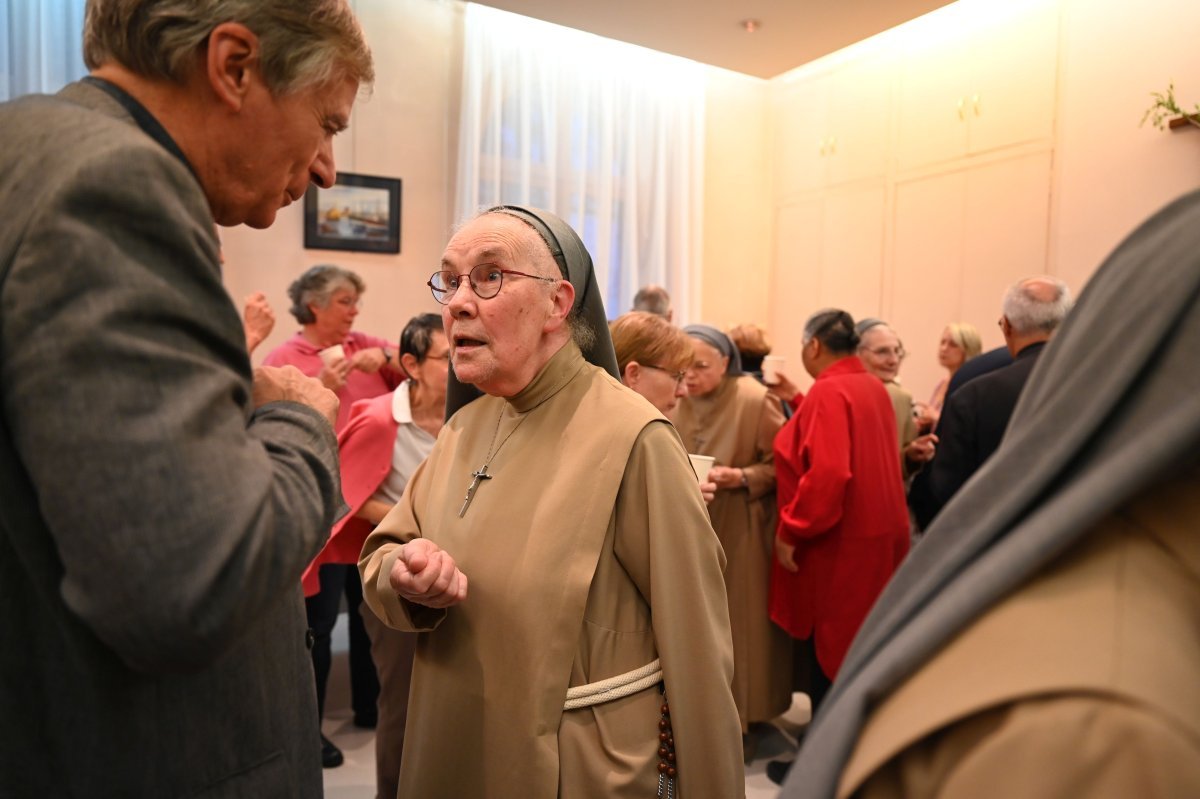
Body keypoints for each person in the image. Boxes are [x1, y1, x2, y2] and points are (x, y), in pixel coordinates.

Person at [0, 1, 372, 796]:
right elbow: (190, 584)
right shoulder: (114, 182)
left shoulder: (29, 151)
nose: (327, 169)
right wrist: (298, 418)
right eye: (327, 123)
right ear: (234, 66)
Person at [780, 190, 1200, 799]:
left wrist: (791, 530)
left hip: (858, 542)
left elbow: (842, 476)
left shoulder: (954, 390)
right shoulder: (1105, 723)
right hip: (882, 538)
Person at [359, 206, 743, 797]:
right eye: (451, 280)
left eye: (489, 277)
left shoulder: (633, 437)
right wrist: (405, 576)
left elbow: (698, 649)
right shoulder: (465, 428)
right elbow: (383, 552)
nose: (459, 302)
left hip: (572, 766)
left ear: (558, 303)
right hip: (451, 738)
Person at [305, 313, 448, 799]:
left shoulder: (476, 416)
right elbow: (346, 489)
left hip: (459, 573)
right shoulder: (380, 414)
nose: (461, 366)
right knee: (404, 706)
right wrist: (413, 517)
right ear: (411, 364)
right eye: (448, 358)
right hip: (396, 575)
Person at [263, 263, 400, 766]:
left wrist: (384, 354)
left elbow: (424, 366)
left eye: (355, 302)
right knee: (318, 624)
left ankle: (370, 709)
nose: (354, 311)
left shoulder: (365, 344)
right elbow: (272, 426)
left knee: (373, 615)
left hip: (371, 508)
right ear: (315, 304)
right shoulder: (284, 358)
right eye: (345, 301)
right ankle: (311, 728)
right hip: (323, 513)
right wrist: (320, 385)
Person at [767, 310, 910, 786]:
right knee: (858, 648)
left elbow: (829, 474)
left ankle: (821, 767)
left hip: (839, 543)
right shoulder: (868, 385)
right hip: (877, 538)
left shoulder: (831, 391)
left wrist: (792, 529)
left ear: (812, 347)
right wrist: (796, 398)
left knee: (830, 656)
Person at [673, 324, 792, 756]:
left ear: (727, 362)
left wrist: (741, 476)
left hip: (740, 524)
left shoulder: (755, 399)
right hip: (687, 523)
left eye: (702, 366)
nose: (690, 377)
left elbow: (784, 466)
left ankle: (743, 719)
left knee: (740, 624)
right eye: (683, 368)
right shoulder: (674, 396)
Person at [909, 276, 1072, 530]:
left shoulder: (973, 394)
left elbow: (944, 490)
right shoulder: (1103, 381)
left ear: (1006, 326)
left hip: (992, 540)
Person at [609, 311, 717, 503]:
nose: (683, 391)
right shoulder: (638, 434)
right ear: (634, 374)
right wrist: (682, 503)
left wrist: (684, 494)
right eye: (677, 376)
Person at [854, 318, 935, 475]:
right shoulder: (841, 396)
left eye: (897, 351)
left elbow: (894, 464)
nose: (893, 360)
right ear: (856, 353)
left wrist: (911, 455)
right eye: (882, 352)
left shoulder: (900, 397)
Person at [915, 322, 982, 432]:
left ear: (968, 349)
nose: (944, 348)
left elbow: (967, 427)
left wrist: (936, 417)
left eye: (953, 344)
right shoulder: (942, 383)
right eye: (943, 342)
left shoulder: (971, 386)